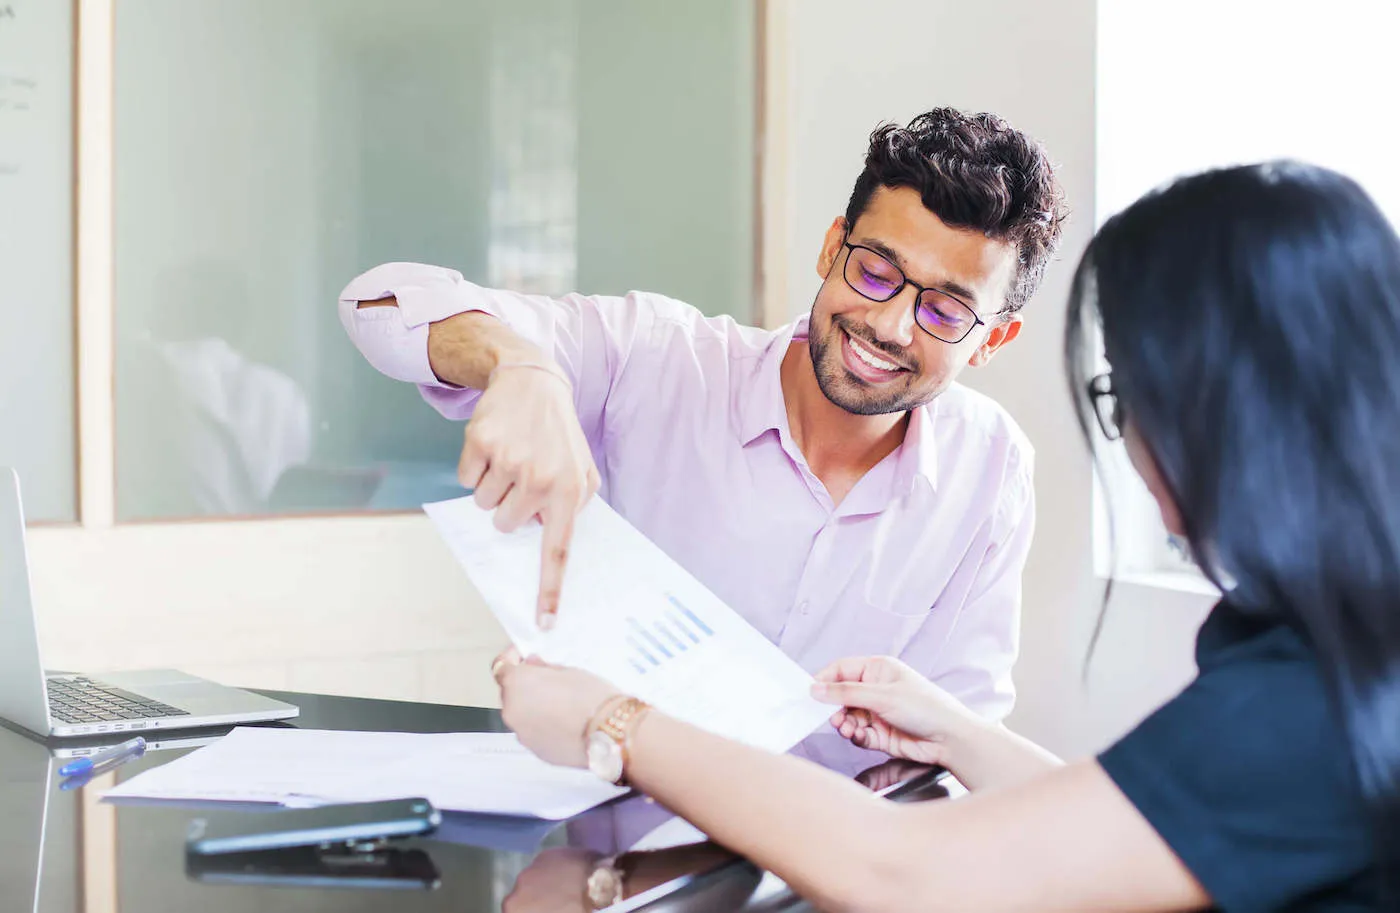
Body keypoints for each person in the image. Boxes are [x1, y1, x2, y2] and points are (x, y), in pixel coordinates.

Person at [493, 162, 1395, 910]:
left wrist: (614, 722)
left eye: (1127, 397)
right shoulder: (1342, 650)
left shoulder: (1308, 698)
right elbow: (1124, 814)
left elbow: (908, 870)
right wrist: (955, 732)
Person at [339, 108, 1067, 719]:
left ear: (994, 338)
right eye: (874, 271)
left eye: (943, 310)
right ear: (829, 247)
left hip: (834, 879)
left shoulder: (992, 468)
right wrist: (519, 366)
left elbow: (960, 731)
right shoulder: (657, 361)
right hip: (618, 871)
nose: (890, 325)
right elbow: (379, 302)